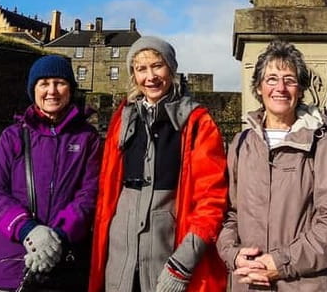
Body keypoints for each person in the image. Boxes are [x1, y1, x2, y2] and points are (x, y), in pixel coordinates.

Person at [88, 36, 228, 292]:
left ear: (171, 69)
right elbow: (107, 190)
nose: (150, 76)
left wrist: (183, 262)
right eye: (141, 69)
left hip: (169, 257)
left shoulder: (198, 123)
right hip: (120, 260)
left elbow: (212, 199)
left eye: (157, 65)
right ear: (133, 75)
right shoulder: (123, 118)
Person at [217, 39, 327, 291]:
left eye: (289, 80)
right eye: (271, 79)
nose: (280, 87)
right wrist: (233, 254)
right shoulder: (241, 144)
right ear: (258, 87)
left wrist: (281, 263)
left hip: (308, 285)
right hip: (250, 284)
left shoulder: (324, 144)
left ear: (300, 90)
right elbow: (230, 215)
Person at [0, 54, 101, 291]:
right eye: (43, 83)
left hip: (64, 261)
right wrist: (28, 230)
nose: (52, 91)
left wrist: (57, 239)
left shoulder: (88, 139)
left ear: (71, 89)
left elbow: (89, 195)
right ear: (33, 89)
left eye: (60, 83)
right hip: (9, 260)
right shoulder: (13, 136)